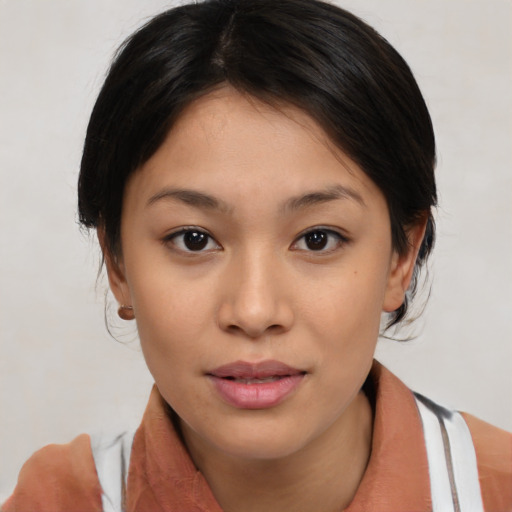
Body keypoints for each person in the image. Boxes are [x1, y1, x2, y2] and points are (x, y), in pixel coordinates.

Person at [3, 0, 510, 510]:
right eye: (193, 239)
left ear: (402, 257)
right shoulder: (61, 499)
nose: (254, 311)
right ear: (116, 261)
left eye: (318, 239)